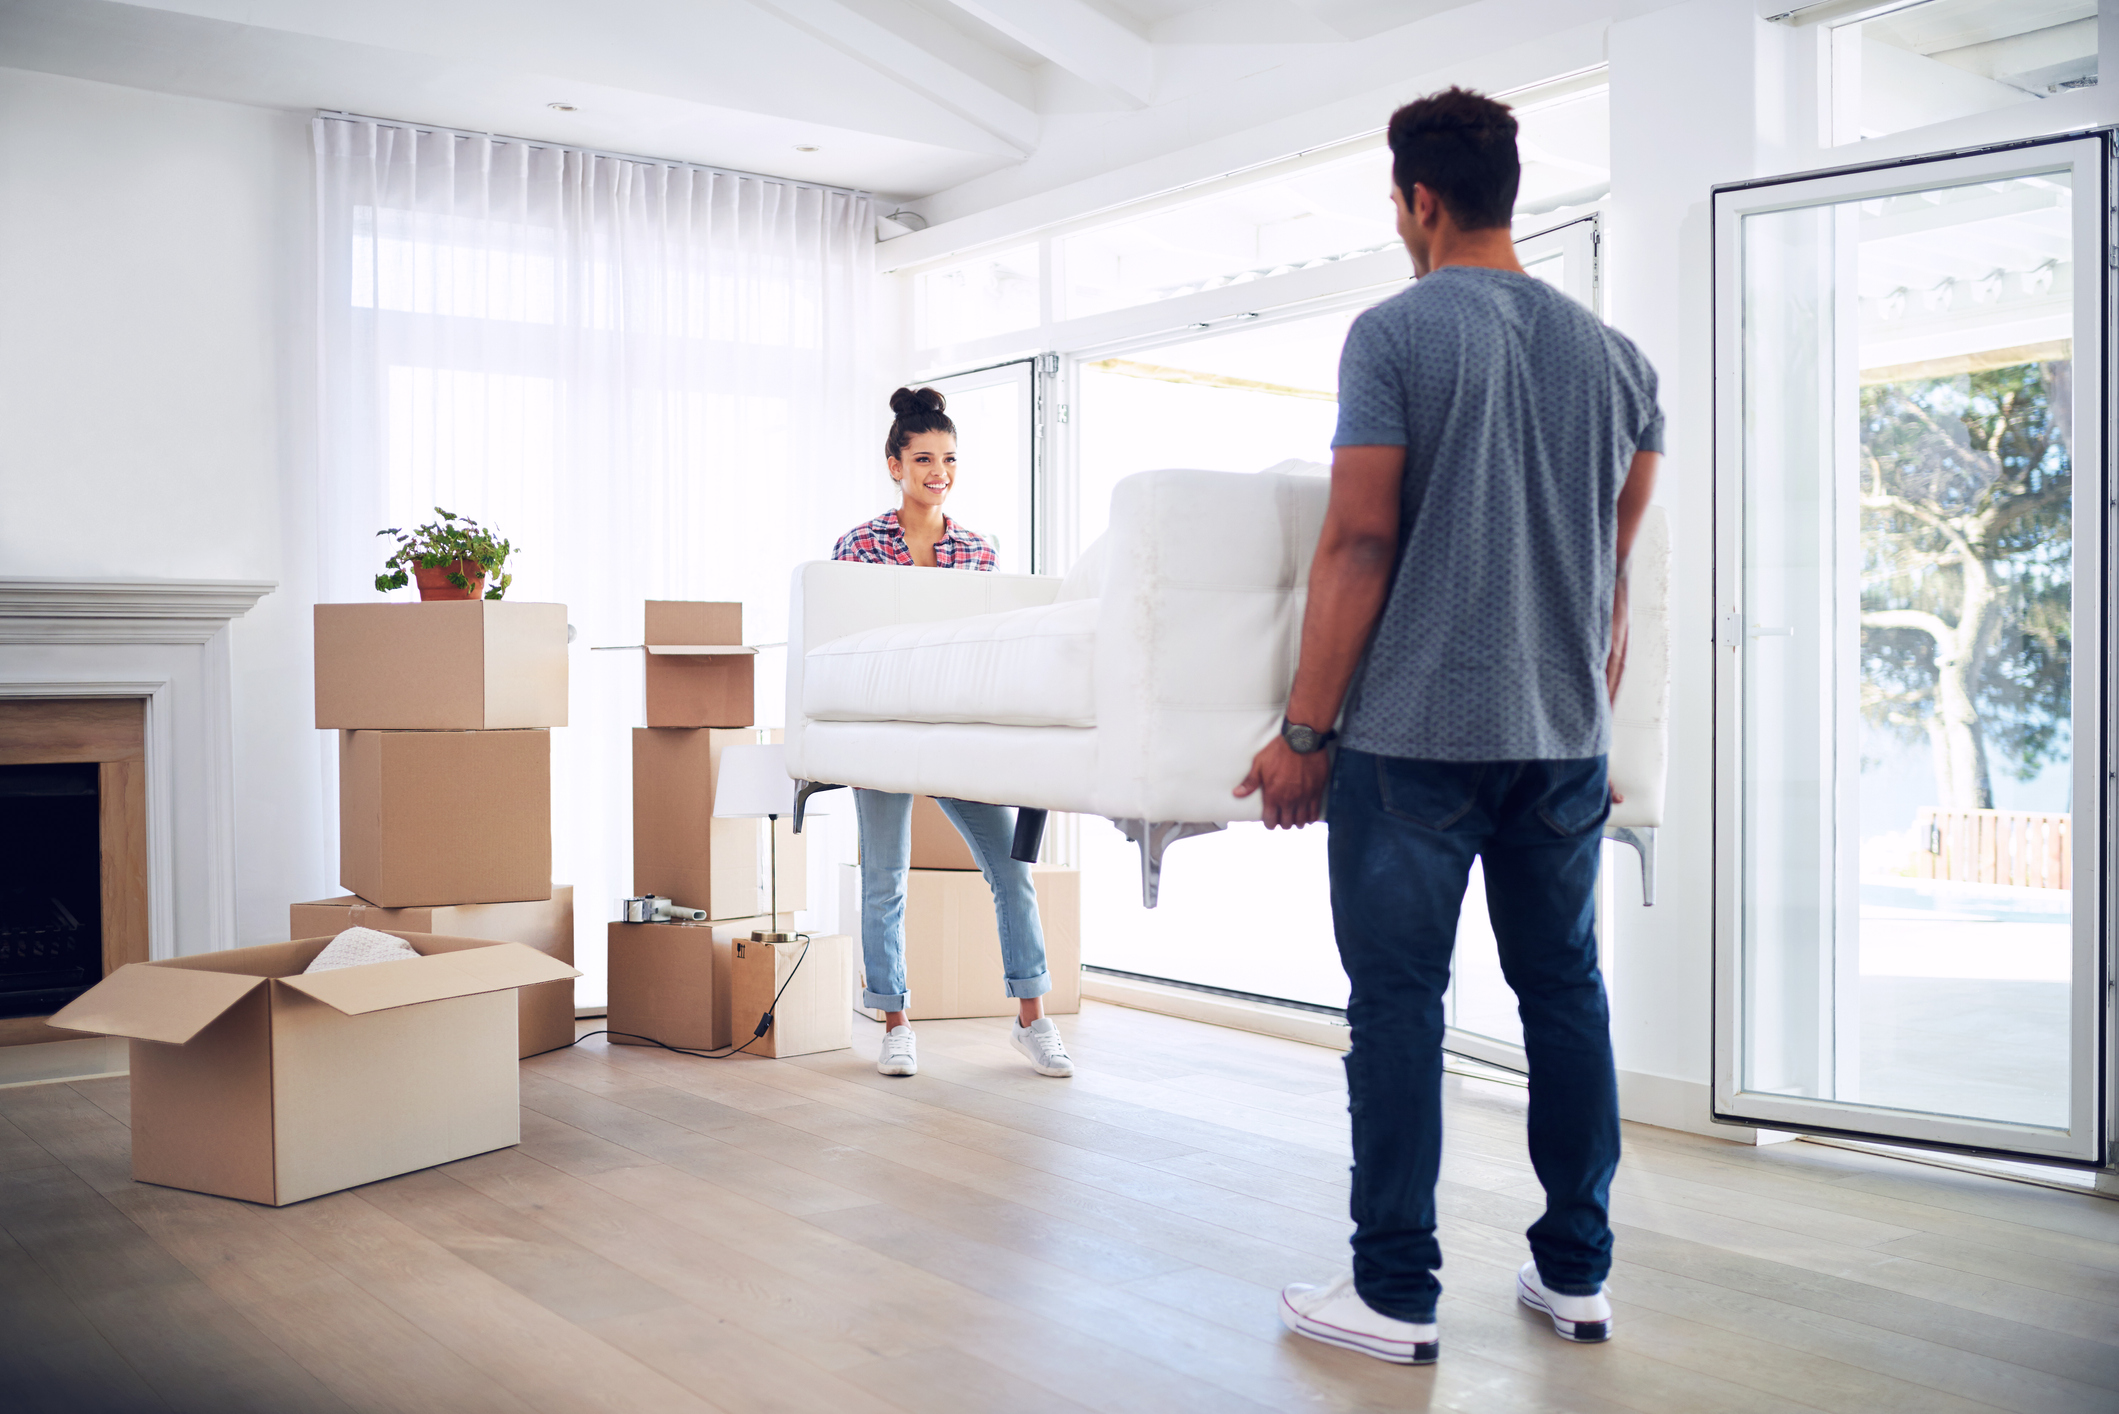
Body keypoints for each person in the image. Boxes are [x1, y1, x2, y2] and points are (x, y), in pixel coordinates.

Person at [1236, 88, 1663, 1365]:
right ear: (1506, 191)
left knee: (1400, 1007)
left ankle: (1393, 1290)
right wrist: (1585, 723)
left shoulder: (1395, 332)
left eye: (1395, 203)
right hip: (1559, 745)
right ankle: (1576, 1276)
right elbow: (1610, 576)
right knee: (1566, 997)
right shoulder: (1619, 360)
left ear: (1418, 198)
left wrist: (1305, 733)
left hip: (1413, 742)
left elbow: (1360, 535)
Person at [831, 386, 1075, 1081]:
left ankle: (1032, 1019)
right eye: (924, 458)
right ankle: (895, 1023)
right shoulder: (858, 545)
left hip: (955, 732)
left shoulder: (975, 550)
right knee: (884, 880)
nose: (938, 471)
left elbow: (987, 644)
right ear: (894, 464)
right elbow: (850, 641)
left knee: (1010, 871)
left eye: (949, 459)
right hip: (882, 734)